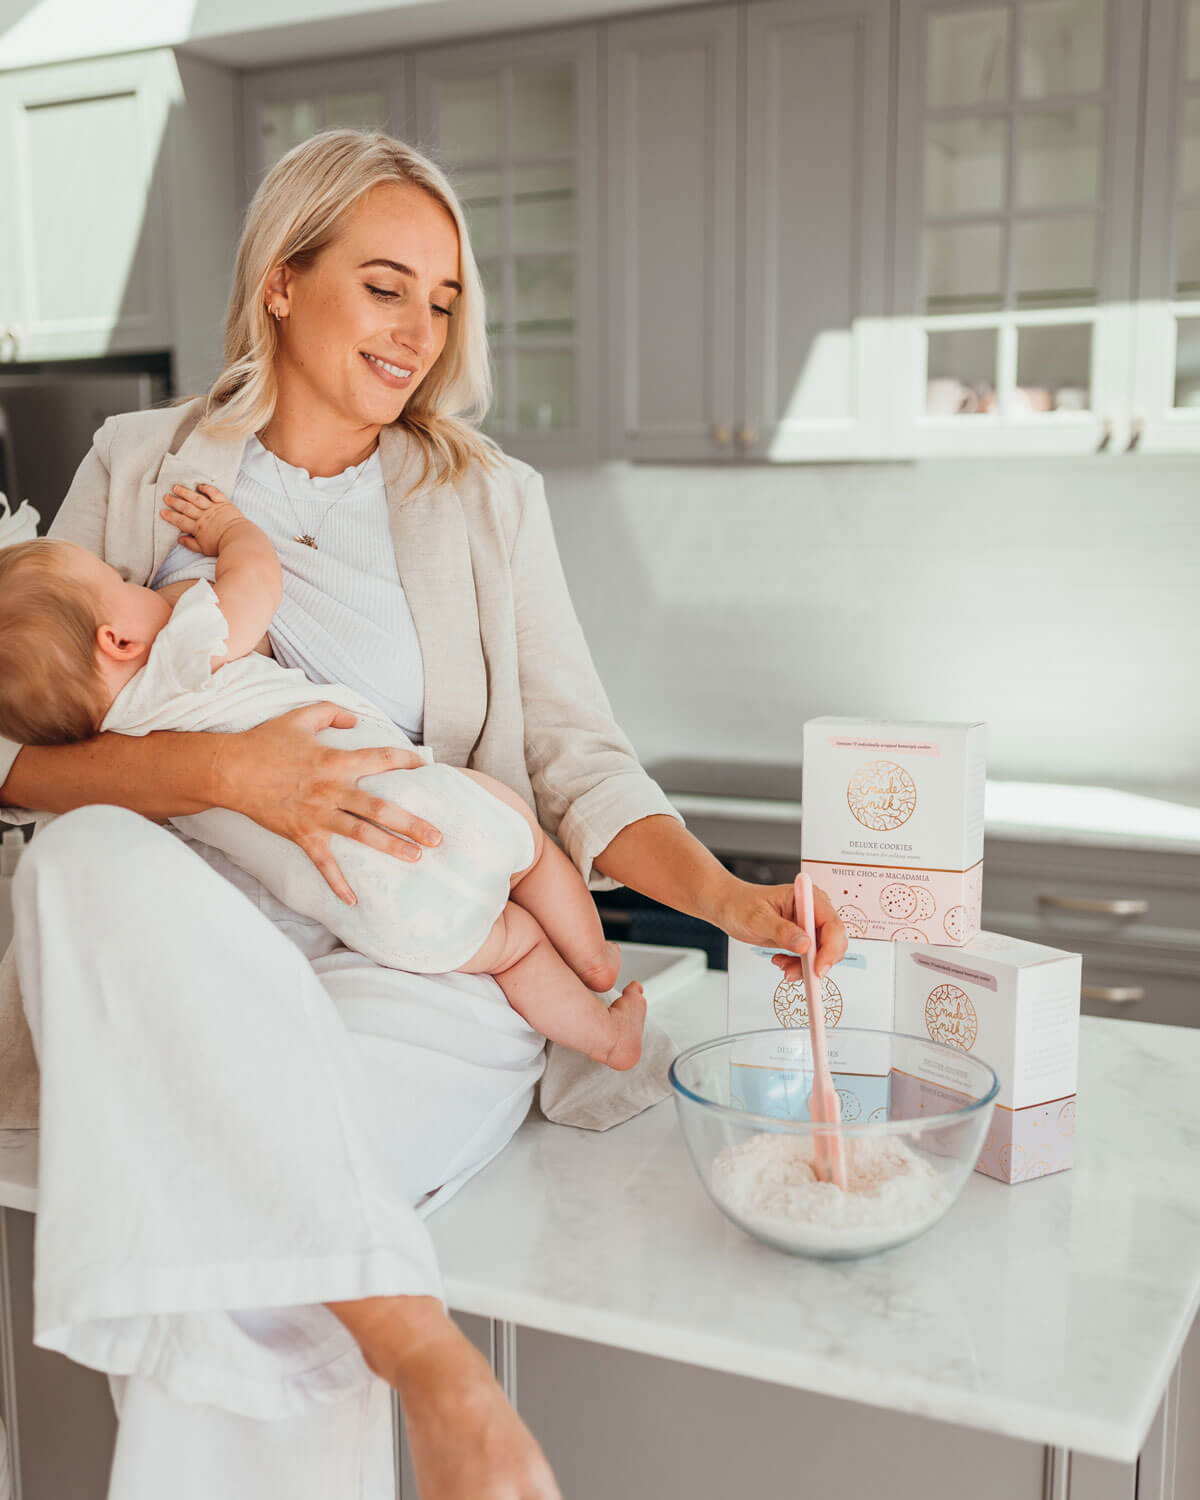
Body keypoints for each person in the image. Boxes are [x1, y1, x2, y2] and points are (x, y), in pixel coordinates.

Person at [0, 129, 846, 1499]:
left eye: (444, 301)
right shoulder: (142, 463)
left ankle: (411, 1373)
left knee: (233, 1228)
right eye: (386, 285)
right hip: (194, 953)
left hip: (425, 960)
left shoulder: (484, 499)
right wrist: (225, 775)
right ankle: (433, 1367)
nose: (421, 332)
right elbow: (20, 757)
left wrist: (740, 906)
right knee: (83, 857)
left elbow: (578, 764)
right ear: (283, 280)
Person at [0, 498, 647, 1069]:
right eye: (117, 582)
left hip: (383, 919)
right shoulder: (181, 652)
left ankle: (603, 1038)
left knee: (513, 952)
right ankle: (593, 960)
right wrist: (230, 530)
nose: (134, 580)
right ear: (116, 639)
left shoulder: (109, 750)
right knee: (527, 844)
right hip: (435, 811)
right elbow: (256, 583)